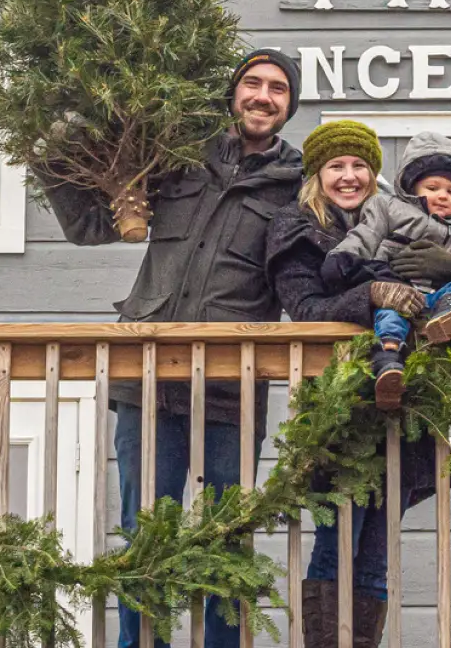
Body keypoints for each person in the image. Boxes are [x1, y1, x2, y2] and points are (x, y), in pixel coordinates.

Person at [40, 48, 304, 648]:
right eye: (252, 83)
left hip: (232, 389)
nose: (263, 96)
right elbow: (89, 225)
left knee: (226, 535)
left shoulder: (298, 186)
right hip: (148, 378)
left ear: (290, 105)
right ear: (233, 93)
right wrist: (52, 153)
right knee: (143, 532)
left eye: (278, 89)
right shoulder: (178, 160)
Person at [264, 120, 451, 648]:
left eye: (360, 166)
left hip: (407, 409)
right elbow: (308, 309)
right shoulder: (298, 228)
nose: (350, 176)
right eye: (337, 165)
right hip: (341, 412)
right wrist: (374, 292)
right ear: (317, 174)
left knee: (377, 554)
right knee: (338, 544)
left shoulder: (418, 220)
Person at [321, 131, 451, 409]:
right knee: (390, 317)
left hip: (433, 299)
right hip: (399, 291)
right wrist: (343, 258)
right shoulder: (388, 207)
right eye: (432, 188)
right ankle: (389, 362)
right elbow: (366, 234)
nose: (442, 195)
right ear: (413, 189)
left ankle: (450, 319)